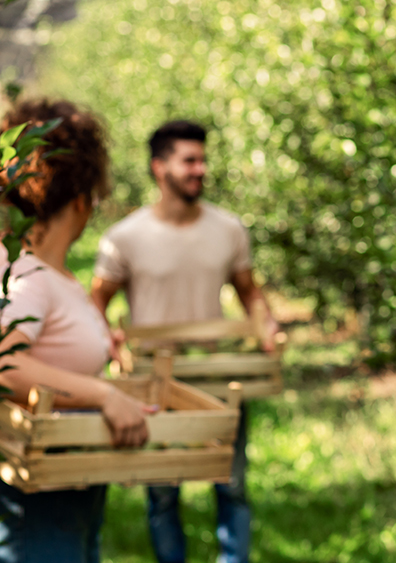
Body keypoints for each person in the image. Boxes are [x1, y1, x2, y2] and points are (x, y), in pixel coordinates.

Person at [90, 120, 278, 563]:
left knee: (232, 487)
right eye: (189, 160)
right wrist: (109, 341)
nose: (200, 169)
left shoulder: (228, 229)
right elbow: (96, 300)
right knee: (162, 495)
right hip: (157, 383)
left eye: (203, 159)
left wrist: (266, 324)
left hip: (217, 378)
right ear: (160, 167)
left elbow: (249, 291)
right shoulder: (124, 237)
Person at [0, 98, 157, 563]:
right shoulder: (29, 277)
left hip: (71, 481)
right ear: (82, 199)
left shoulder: (55, 276)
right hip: (40, 494)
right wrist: (103, 395)